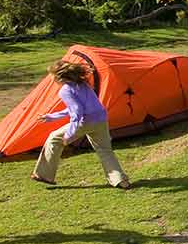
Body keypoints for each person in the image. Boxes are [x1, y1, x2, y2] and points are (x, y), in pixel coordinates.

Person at [33, 60, 131, 189]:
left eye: (52, 76)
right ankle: (120, 181)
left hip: (85, 122)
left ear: (59, 77)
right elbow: (77, 108)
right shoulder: (82, 84)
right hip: (101, 120)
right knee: (105, 150)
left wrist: (70, 133)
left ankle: (44, 175)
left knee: (54, 138)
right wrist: (52, 117)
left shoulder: (65, 90)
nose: (51, 80)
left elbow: (77, 111)